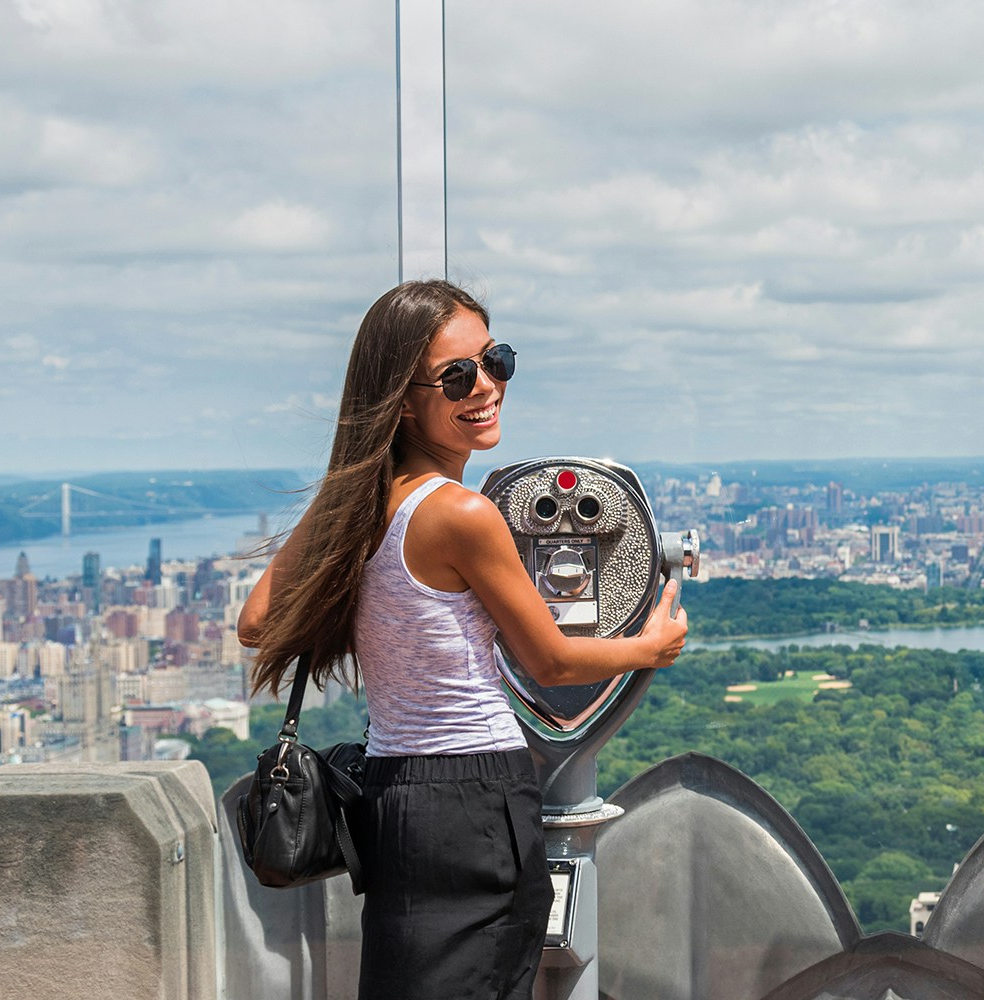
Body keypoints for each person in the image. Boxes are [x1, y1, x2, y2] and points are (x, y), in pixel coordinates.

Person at [237, 279, 688, 999]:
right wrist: (650, 647)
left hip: (390, 793)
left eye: (496, 360)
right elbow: (554, 658)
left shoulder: (356, 506)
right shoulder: (462, 515)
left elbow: (258, 622)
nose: (486, 386)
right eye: (457, 375)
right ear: (402, 398)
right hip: (474, 799)